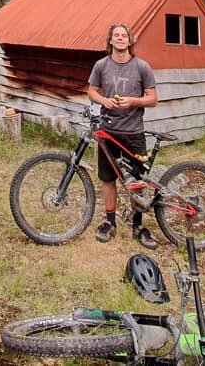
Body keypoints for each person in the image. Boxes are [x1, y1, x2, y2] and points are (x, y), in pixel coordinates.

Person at [86, 23, 159, 249]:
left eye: (123, 35)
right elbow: (90, 90)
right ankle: (110, 223)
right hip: (108, 131)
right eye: (116, 35)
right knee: (108, 179)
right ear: (110, 40)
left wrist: (134, 101)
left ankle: (138, 226)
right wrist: (103, 100)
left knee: (136, 182)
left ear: (130, 41)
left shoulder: (142, 67)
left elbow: (153, 98)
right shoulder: (101, 65)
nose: (120, 39)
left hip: (133, 132)